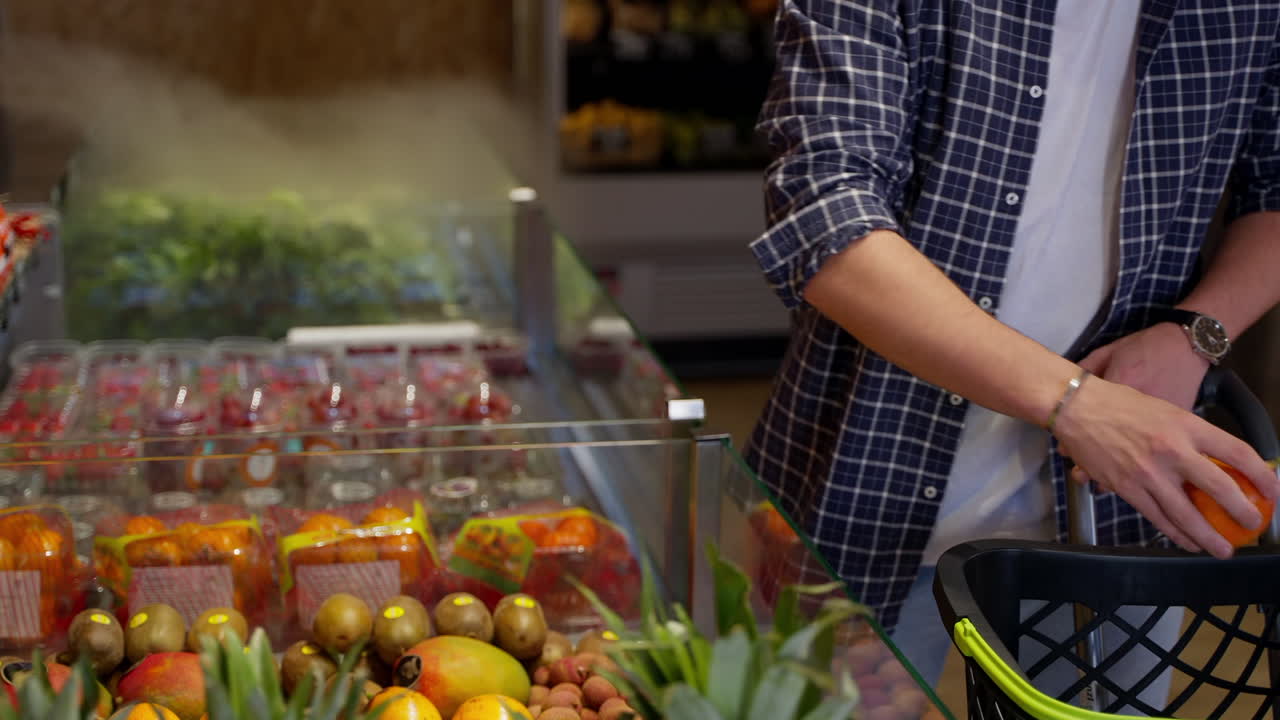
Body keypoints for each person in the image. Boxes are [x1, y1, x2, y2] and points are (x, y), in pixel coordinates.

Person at [747, 0, 1280, 698]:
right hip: (859, 473)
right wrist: (1077, 405)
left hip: (1123, 502)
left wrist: (1197, 332)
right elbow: (824, 211)